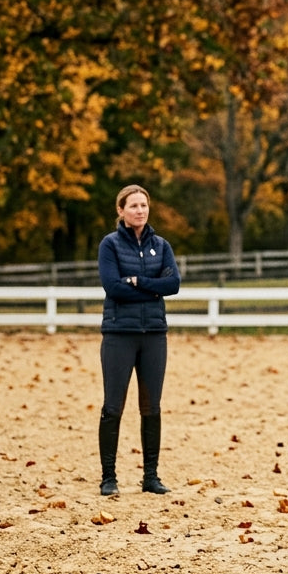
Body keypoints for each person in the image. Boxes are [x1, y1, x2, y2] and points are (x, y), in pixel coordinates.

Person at [96, 184, 180, 496]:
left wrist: (139, 281)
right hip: (119, 335)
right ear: (121, 210)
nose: (140, 210)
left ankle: (151, 477)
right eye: (133, 205)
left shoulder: (161, 245)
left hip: (154, 335)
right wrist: (153, 288)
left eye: (143, 205)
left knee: (151, 406)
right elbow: (113, 287)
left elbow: (173, 284)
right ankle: (109, 477)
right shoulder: (110, 245)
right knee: (113, 406)